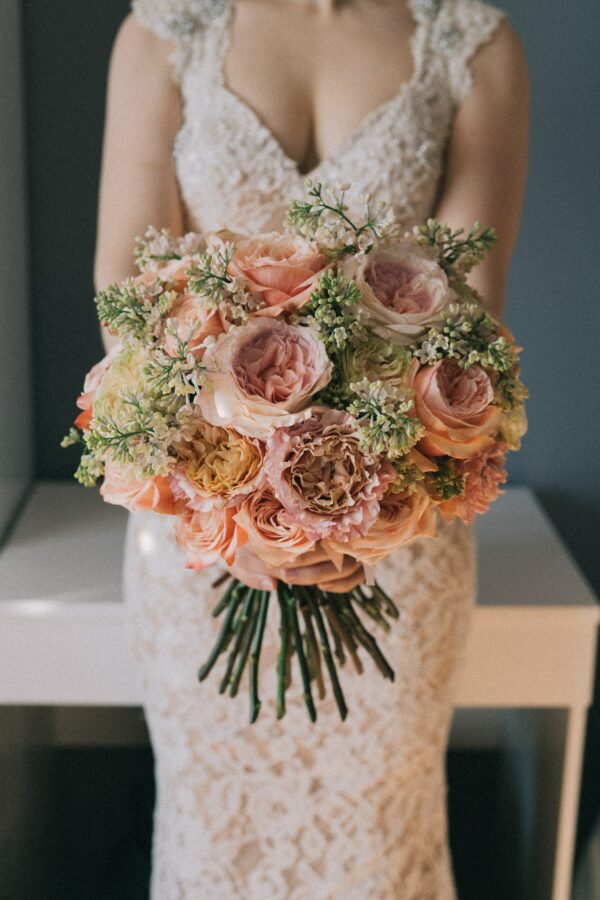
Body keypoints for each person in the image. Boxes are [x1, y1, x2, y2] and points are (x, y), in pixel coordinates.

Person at [95, 0, 529, 896]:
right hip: (199, 537)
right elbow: (125, 297)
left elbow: (471, 318)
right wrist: (243, 511)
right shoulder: (165, 33)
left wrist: (350, 522)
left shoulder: (468, 45)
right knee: (213, 840)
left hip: (399, 542)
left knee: (377, 841)